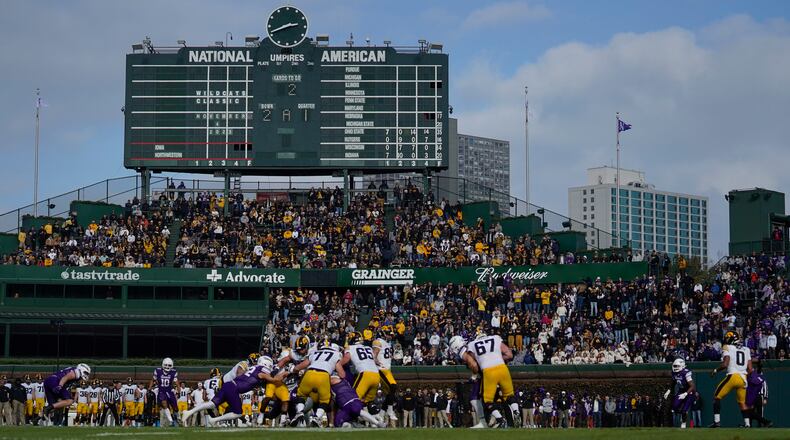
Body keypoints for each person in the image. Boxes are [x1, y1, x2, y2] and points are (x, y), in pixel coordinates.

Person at [181, 355, 287, 426]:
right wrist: (287, 372)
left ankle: (189, 412)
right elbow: (275, 379)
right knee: (238, 413)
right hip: (234, 389)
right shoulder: (261, 371)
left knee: (211, 404)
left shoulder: (253, 368)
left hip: (229, 385)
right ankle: (214, 420)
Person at [450, 330, 518, 428]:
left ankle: (495, 420)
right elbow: (509, 354)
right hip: (502, 369)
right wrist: (496, 359)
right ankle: (512, 416)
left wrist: (475, 374)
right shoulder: (494, 339)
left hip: (487, 373)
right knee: (505, 397)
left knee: (486, 400)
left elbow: (473, 364)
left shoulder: (469, 346)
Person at [292, 338, 345, 427]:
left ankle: (299, 412)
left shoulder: (314, 353)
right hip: (324, 375)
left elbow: (298, 367)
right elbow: (342, 374)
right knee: (325, 400)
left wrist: (294, 371)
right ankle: (317, 417)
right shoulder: (336, 354)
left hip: (309, 373)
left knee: (301, 395)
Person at [709, 331, 752, 428]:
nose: (726, 339)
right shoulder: (746, 349)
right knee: (742, 403)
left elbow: (725, 364)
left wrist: (715, 370)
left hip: (733, 376)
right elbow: (750, 369)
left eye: (728, 337)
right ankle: (747, 424)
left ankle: (717, 422)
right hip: (743, 379)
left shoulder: (727, 347)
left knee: (716, 397)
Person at [340, 332, 380, 408]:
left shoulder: (350, 347)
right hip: (376, 376)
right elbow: (375, 360)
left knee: (353, 399)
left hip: (365, 375)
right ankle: (371, 418)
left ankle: (353, 418)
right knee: (368, 403)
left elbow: (346, 359)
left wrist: (336, 365)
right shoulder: (369, 348)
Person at [372, 330, 398, 423]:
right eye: (388, 334)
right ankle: (390, 410)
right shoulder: (378, 341)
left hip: (387, 370)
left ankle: (382, 413)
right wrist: (376, 361)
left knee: (390, 392)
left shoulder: (387, 343)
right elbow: (374, 354)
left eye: (390, 334)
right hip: (381, 369)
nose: (390, 336)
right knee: (393, 386)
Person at [664, 358, 695, 428]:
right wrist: (668, 391)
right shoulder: (674, 373)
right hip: (681, 390)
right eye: (675, 366)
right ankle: (683, 414)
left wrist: (685, 394)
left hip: (689, 392)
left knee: (684, 410)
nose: (675, 368)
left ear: (682, 366)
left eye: (677, 366)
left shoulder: (686, 373)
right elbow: (673, 383)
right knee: (674, 407)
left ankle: (683, 422)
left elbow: (692, 386)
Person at [149, 357, 178, 426]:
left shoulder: (173, 372)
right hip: (161, 390)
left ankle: (178, 419)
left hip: (169, 391)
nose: (167, 367)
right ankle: (171, 421)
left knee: (175, 408)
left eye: (169, 365)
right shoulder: (158, 371)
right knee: (164, 404)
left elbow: (176, 382)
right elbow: (153, 380)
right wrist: (149, 387)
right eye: (166, 365)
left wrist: (178, 391)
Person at [745, 361, 772, 427]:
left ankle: (763, 424)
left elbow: (765, 387)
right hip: (752, 395)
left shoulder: (760, 376)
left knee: (759, 412)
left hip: (759, 395)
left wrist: (765, 397)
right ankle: (749, 425)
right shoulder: (749, 376)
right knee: (750, 412)